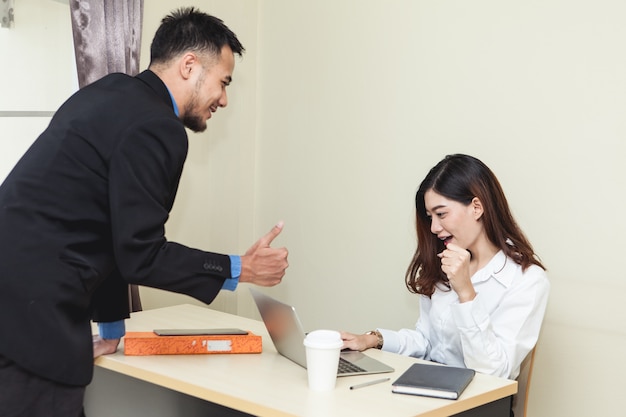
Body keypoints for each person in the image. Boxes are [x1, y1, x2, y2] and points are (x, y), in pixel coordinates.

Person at [0, 8, 288, 417]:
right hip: (32, 316)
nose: (223, 99)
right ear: (190, 65)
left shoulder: (108, 93)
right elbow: (141, 253)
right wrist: (240, 267)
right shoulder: (158, 127)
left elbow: (109, 233)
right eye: (224, 82)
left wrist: (113, 328)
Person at [341, 154, 549, 381]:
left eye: (441, 214)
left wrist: (466, 294)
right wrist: (373, 339)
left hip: (482, 402)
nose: (433, 227)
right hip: (432, 386)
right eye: (430, 217)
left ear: (477, 207)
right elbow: (428, 342)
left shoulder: (526, 279)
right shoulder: (445, 263)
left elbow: (493, 372)